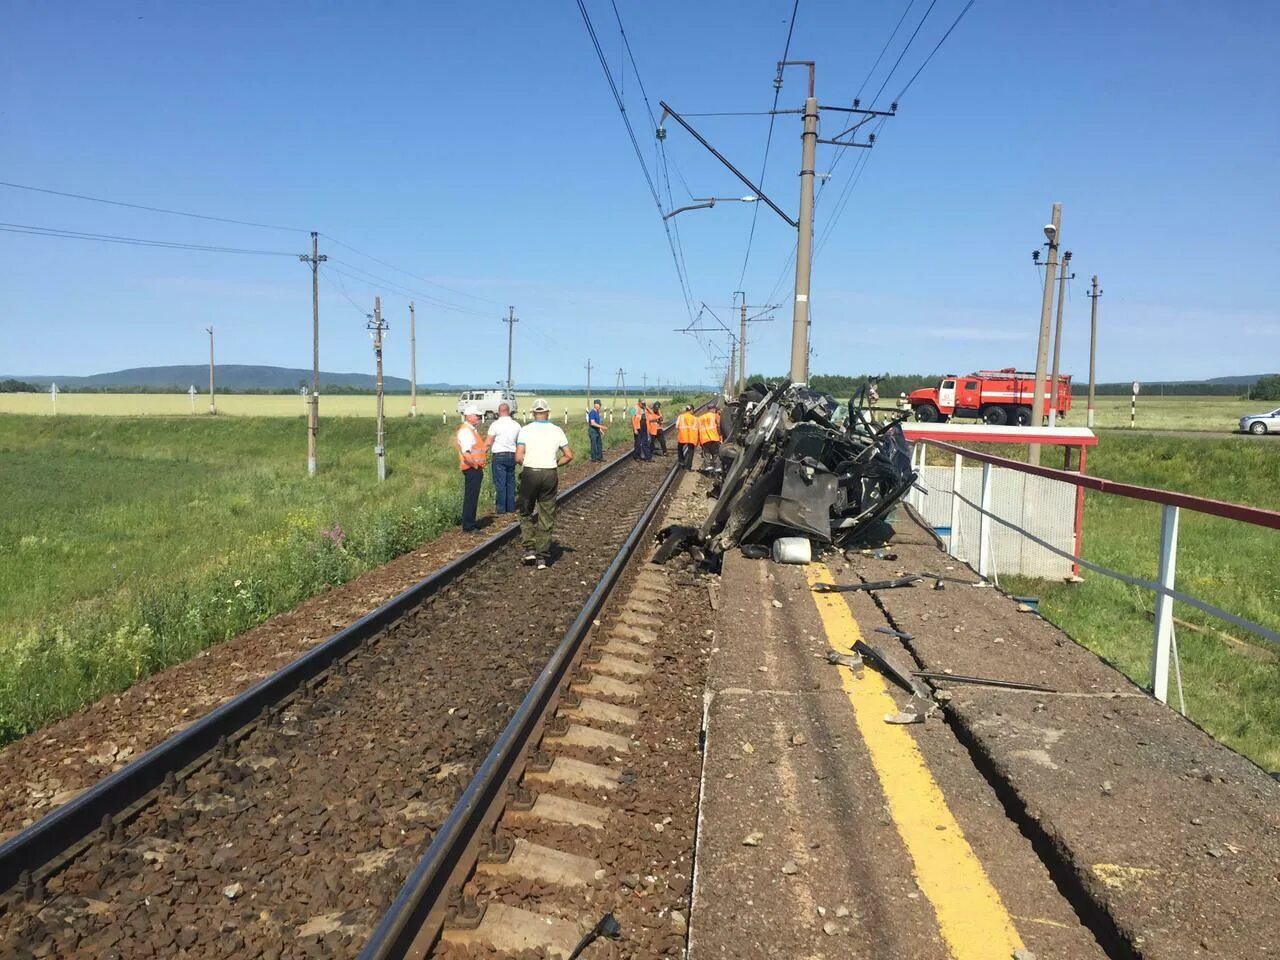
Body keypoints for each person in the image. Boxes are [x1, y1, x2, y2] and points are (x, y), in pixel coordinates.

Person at [516, 399, 574, 569]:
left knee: (525, 511)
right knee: (546, 514)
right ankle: (542, 556)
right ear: (548, 413)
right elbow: (569, 455)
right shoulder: (557, 430)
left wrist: (527, 465)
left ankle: (529, 549)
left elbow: (518, 456)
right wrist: (556, 463)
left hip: (530, 473)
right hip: (550, 473)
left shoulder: (525, 430)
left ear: (534, 413)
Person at [456, 405, 487, 532]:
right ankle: (468, 525)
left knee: (473, 496)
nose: (478, 417)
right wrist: (474, 466)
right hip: (471, 468)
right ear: (469, 416)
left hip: (474, 467)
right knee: (471, 497)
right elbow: (466, 453)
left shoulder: (471, 430)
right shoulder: (466, 431)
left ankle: (471, 522)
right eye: (476, 415)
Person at [486, 401, 520, 513]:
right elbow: (520, 443)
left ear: (499, 412)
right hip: (512, 455)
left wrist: (481, 454)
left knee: (500, 482)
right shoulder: (516, 425)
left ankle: (501, 508)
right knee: (510, 481)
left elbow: (488, 442)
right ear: (508, 412)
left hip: (499, 456)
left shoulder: (495, 425)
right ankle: (511, 507)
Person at [698, 403, 722, 472]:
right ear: (713, 409)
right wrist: (720, 436)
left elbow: (698, 429)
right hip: (714, 437)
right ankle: (717, 467)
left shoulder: (700, 418)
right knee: (716, 453)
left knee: (707, 453)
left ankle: (708, 466)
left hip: (704, 438)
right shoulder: (715, 416)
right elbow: (719, 426)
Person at [675, 404, 700, 469]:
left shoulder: (680, 416)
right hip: (692, 437)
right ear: (691, 410)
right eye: (693, 410)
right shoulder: (695, 418)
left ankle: (681, 460)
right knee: (691, 451)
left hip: (683, 436)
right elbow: (698, 428)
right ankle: (688, 467)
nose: (693, 411)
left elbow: (677, 426)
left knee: (679, 448)